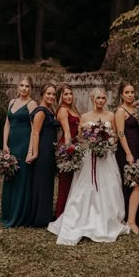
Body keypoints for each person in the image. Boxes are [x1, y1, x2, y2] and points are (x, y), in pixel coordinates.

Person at [47, 88, 129, 245]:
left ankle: (108, 218)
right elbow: (79, 138)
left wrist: (107, 143)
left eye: (103, 98)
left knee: (108, 186)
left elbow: (116, 135)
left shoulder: (111, 116)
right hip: (89, 157)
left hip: (106, 157)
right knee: (85, 187)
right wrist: (90, 143)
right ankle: (79, 217)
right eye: (98, 97)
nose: (101, 100)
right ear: (92, 99)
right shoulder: (84, 116)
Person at [1, 75, 37, 228]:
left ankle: (19, 213)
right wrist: (4, 144)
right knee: (10, 175)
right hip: (12, 144)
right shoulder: (12, 102)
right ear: (18, 87)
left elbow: (34, 129)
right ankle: (8, 211)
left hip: (24, 144)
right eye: (21, 85)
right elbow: (7, 124)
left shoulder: (32, 103)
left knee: (22, 176)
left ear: (31, 89)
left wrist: (30, 150)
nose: (24, 88)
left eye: (27, 86)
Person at [115, 81, 139, 234]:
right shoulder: (120, 111)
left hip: (136, 150)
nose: (130, 95)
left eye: (132, 92)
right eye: (127, 92)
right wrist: (128, 153)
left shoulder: (134, 109)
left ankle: (131, 219)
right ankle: (131, 220)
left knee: (136, 183)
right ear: (121, 94)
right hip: (125, 151)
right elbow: (120, 133)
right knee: (134, 183)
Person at [26, 83, 59, 227]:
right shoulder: (40, 111)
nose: (51, 96)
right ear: (42, 94)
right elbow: (35, 133)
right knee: (42, 182)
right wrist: (35, 152)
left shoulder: (49, 109)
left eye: (53, 94)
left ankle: (45, 213)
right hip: (43, 149)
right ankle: (40, 217)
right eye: (49, 94)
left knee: (47, 182)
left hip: (50, 149)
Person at [55, 84, 80, 218]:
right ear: (61, 96)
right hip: (67, 148)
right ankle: (61, 214)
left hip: (76, 147)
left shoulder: (74, 109)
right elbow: (67, 133)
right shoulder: (63, 110)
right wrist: (69, 151)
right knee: (65, 184)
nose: (69, 96)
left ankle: (71, 213)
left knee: (74, 184)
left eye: (70, 93)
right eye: (65, 94)